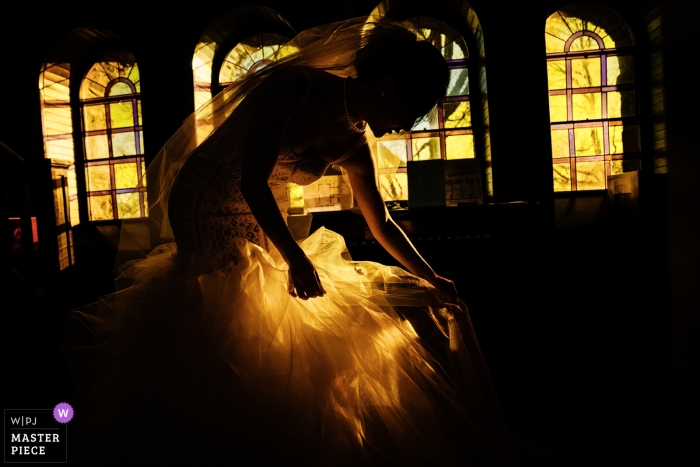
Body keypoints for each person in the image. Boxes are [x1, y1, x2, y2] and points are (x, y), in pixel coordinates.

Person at [63, 17, 518, 466]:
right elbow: (251, 180)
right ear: (387, 86)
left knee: (267, 304)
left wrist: (430, 274)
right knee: (222, 297)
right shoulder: (296, 87)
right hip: (207, 197)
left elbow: (380, 222)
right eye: (412, 109)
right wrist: (297, 258)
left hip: (261, 208)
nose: (408, 125)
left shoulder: (355, 146)